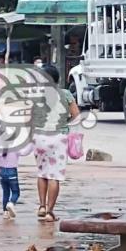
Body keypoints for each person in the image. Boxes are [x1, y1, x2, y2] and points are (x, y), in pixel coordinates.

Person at [32, 64, 80, 223]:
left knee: (42, 173)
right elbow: (76, 115)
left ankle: (41, 206)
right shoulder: (66, 94)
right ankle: (50, 212)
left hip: (39, 137)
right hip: (58, 138)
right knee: (54, 175)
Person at [0, 142, 33, 220]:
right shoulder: (15, 148)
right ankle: (11, 203)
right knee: (16, 192)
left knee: (6, 193)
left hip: (2, 173)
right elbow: (25, 152)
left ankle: (5, 212)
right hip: (12, 172)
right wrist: (32, 144)